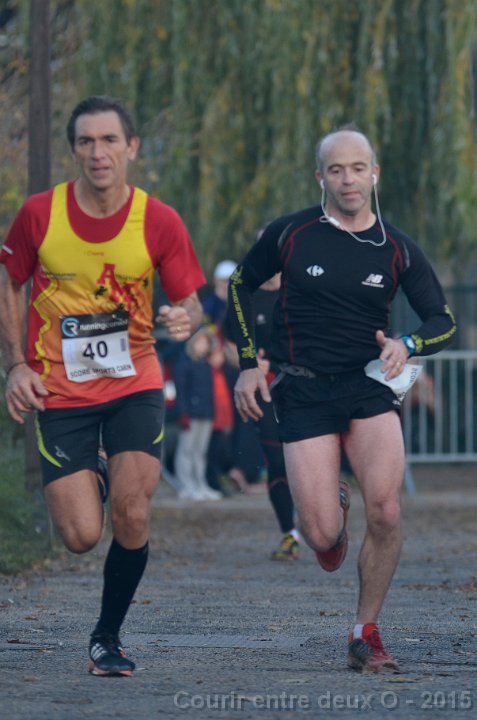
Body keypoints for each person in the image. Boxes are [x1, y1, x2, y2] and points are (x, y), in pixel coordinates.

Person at [227, 125, 456, 672]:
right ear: (320, 177)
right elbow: (239, 284)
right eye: (336, 170)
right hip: (303, 388)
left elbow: (442, 320)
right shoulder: (291, 233)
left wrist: (407, 344)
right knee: (323, 539)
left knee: (388, 509)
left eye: (357, 168)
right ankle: (331, 512)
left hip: (368, 386)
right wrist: (246, 365)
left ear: (374, 174)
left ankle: (365, 631)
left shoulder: (396, 247)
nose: (348, 179)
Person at [0, 95, 205, 677]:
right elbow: (9, 282)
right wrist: (15, 365)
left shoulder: (158, 220)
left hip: (133, 380)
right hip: (59, 391)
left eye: (110, 140)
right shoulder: (40, 214)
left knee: (133, 514)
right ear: (74, 151)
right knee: (81, 536)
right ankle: (91, 469)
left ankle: (106, 637)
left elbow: (190, 301)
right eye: (86, 142)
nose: (98, 153)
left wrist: (184, 318)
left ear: (131, 148)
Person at [224, 269, 300, 561]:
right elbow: (229, 346)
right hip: (265, 392)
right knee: (277, 462)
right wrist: (250, 363)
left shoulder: (299, 289)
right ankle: (289, 534)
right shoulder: (247, 296)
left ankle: (323, 523)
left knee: (306, 460)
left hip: (302, 390)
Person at [173, 327, 222, 501]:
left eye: (206, 342)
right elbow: (180, 390)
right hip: (190, 414)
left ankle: (200, 484)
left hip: (206, 413)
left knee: (200, 452)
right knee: (186, 450)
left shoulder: (207, 365)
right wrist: (183, 413)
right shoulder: (184, 363)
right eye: (200, 341)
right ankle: (186, 485)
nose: (203, 345)